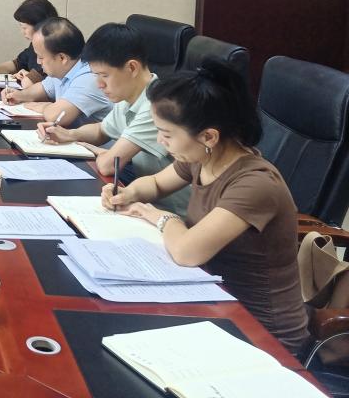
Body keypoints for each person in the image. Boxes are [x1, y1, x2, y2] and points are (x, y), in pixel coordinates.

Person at [103, 60, 309, 354]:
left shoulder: (255, 184)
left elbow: (187, 252)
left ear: (209, 136)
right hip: (211, 299)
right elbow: (157, 184)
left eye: (167, 134)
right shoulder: (202, 158)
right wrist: (129, 193)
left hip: (260, 334)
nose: (160, 141)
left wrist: (163, 218)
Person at [39, 23, 188, 215]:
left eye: (104, 75)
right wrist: (69, 134)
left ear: (132, 68)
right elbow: (101, 130)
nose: (99, 84)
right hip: (143, 201)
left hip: (171, 212)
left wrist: (102, 153)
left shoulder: (156, 105)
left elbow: (108, 165)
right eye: (96, 76)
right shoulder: (131, 95)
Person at [1, 17, 111, 126]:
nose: (38, 62)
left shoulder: (89, 78)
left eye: (41, 57)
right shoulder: (64, 70)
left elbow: (57, 116)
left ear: (62, 58)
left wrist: (43, 106)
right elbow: (41, 90)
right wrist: (18, 95)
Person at [0, 0, 57, 87]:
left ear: (40, 26)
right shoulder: (34, 45)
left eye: (24, 28)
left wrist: (30, 78)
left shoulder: (55, 48)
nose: (22, 32)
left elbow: (40, 80)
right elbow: (18, 63)